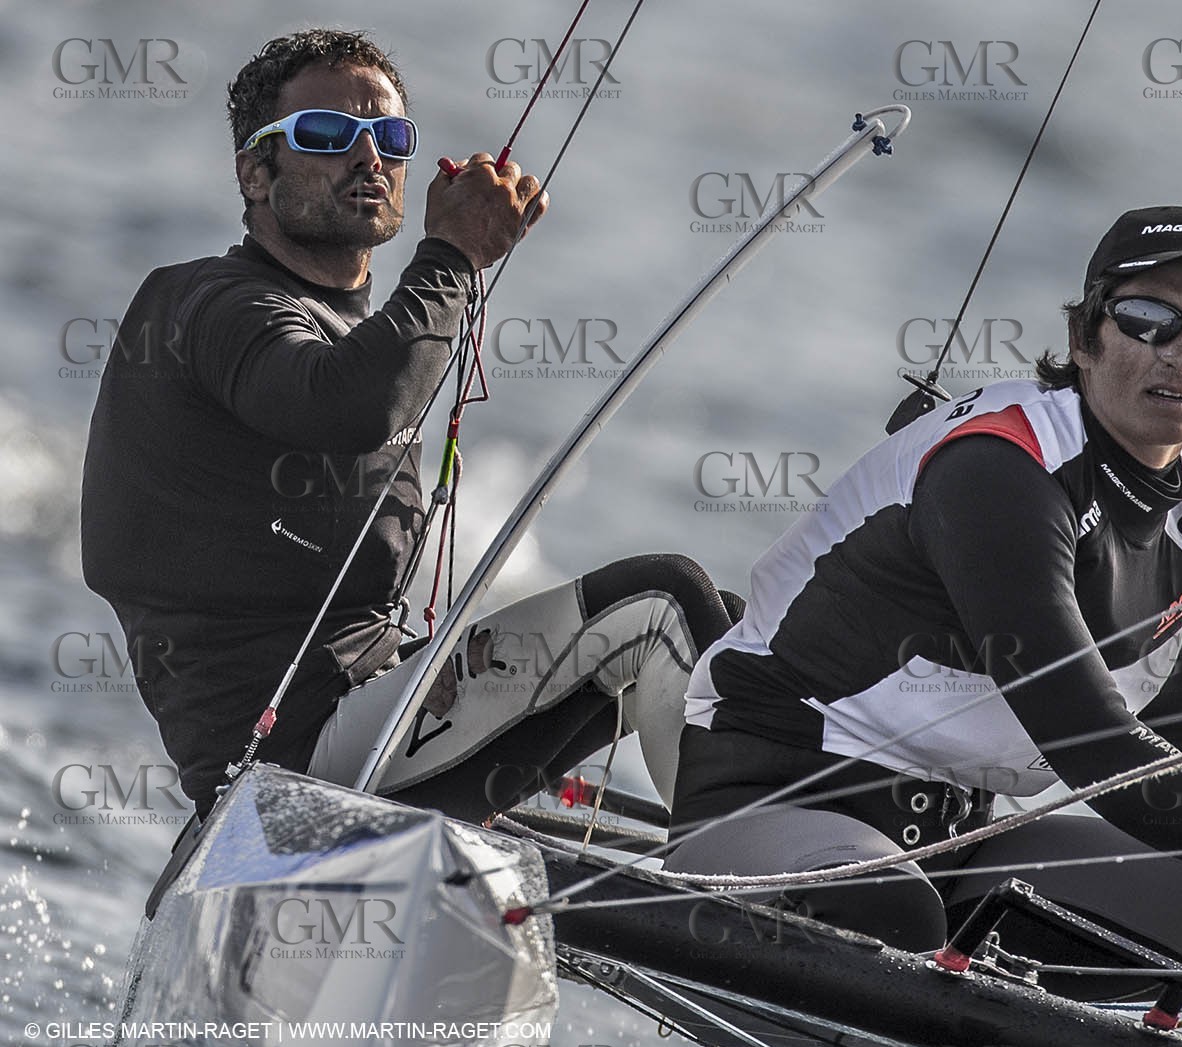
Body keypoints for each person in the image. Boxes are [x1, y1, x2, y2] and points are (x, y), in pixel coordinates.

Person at [666, 206, 1182, 1047]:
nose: (1181, 354)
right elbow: (1094, 748)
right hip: (780, 804)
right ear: (1084, 338)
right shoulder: (1001, 468)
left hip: (963, 847)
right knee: (887, 913)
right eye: (1149, 321)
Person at [80, 29, 735, 823]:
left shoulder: (362, 333)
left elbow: (364, 381)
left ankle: (818, 862)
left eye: (389, 139)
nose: (368, 158)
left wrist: (445, 268)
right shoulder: (207, 304)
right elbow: (348, 407)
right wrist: (452, 256)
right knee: (663, 603)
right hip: (287, 765)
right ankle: (749, 894)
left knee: (724, 629)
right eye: (326, 136)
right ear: (255, 172)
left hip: (374, 714)